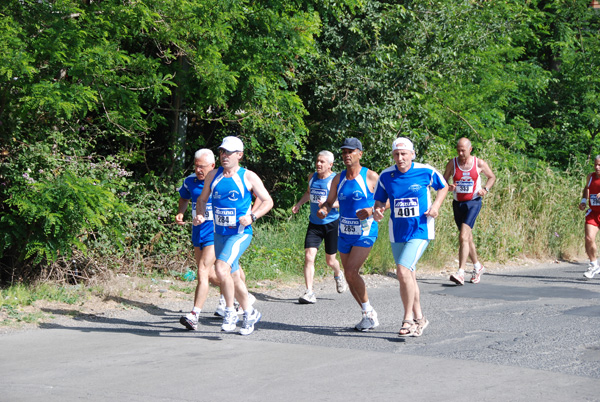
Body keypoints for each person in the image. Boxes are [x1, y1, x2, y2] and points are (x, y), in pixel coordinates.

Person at [193, 136, 274, 336]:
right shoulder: (213, 175)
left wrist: (253, 216)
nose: (224, 156)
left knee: (221, 268)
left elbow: (268, 201)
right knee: (234, 276)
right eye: (222, 152)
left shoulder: (248, 177)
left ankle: (230, 312)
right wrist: (201, 215)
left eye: (229, 153)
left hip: (239, 234)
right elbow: (203, 199)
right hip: (219, 233)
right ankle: (249, 312)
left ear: (240, 155)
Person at [373, 138, 448, 337]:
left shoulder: (425, 171)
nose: (400, 158)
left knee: (402, 270)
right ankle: (420, 318)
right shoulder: (386, 175)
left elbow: (444, 186)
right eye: (397, 154)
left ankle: (407, 319)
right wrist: (378, 210)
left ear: (412, 154)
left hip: (421, 229)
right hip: (397, 231)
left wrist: (436, 206)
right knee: (408, 276)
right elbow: (380, 200)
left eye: (404, 154)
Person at [176, 149, 256, 331]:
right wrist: (181, 212)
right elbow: (186, 198)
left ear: (212, 166)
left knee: (205, 271)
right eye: (196, 166)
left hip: (217, 232)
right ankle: (241, 295)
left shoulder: (223, 180)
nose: (198, 170)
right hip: (199, 231)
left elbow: (257, 197)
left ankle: (195, 315)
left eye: (202, 167)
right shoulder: (191, 182)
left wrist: (251, 214)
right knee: (220, 273)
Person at [317, 138, 380, 331]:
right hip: (344, 231)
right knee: (349, 275)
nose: (347, 155)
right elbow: (329, 201)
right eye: (344, 152)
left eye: (351, 151)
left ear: (360, 154)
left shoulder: (370, 176)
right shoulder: (339, 178)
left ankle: (369, 312)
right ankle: (366, 313)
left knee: (351, 272)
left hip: (365, 231)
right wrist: (324, 209)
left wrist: (370, 210)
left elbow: (386, 201)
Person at [292, 151, 346, 304]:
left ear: (330, 164)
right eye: (317, 161)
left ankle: (338, 273)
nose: (318, 164)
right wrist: (299, 204)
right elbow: (309, 193)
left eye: (322, 162)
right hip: (314, 223)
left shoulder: (335, 180)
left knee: (330, 261)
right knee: (309, 257)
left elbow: (343, 202)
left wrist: (328, 204)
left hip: (331, 223)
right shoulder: (312, 177)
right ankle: (309, 292)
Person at [443, 137, 496, 285]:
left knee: (463, 236)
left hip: (473, 202)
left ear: (470, 149)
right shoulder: (452, 163)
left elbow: (491, 177)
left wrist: (485, 189)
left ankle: (460, 272)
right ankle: (477, 266)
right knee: (467, 238)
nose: (460, 153)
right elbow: (443, 180)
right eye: (458, 150)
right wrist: (449, 186)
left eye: (463, 150)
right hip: (458, 203)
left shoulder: (479, 163)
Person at [579, 155, 600, 279]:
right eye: (596, 165)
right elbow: (586, 188)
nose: (597, 167)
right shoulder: (591, 177)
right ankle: (593, 265)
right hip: (593, 212)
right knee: (588, 238)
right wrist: (583, 200)